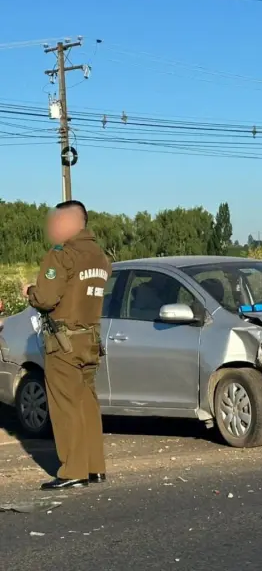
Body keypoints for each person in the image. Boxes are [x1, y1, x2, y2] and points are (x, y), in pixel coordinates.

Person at [21, 200, 111, 490]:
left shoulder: (61, 255)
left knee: (65, 405)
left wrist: (30, 292)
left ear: (73, 223)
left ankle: (73, 470)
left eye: (58, 222)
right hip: (91, 339)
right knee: (87, 402)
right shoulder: (100, 256)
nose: (54, 228)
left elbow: (47, 298)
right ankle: (95, 466)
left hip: (63, 341)